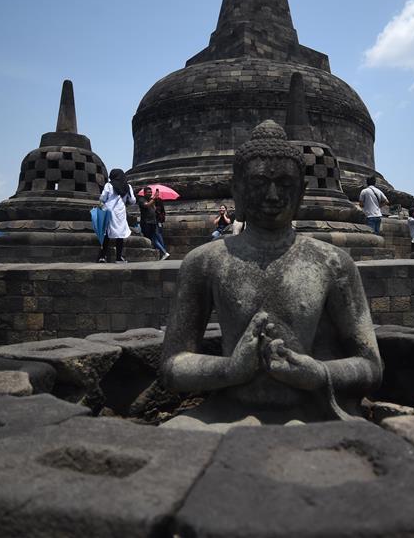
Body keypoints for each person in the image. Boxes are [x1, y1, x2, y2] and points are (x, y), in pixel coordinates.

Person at [160, 120, 382, 431]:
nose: (273, 195)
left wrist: (318, 374)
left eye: (285, 185)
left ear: (301, 193)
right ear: (237, 190)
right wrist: (230, 370)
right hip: (228, 412)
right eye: (259, 183)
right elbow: (172, 366)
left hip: (309, 413)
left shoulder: (332, 263)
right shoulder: (205, 262)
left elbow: (371, 366)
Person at [98, 168, 136, 263]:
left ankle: (102, 256)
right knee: (120, 234)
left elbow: (103, 198)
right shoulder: (127, 186)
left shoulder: (109, 185)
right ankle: (119, 257)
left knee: (106, 233)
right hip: (120, 212)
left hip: (108, 210)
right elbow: (132, 201)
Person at [138, 186, 170, 260]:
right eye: (148, 192)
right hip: (146, 222)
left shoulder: (151, 200)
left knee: (154, 238)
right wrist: (154, 198)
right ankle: (162, 252)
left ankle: (163, 252)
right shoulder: (141, 199)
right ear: (144, 193)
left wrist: (155, 201)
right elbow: (146, 205)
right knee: (149, 238)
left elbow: (154, 209)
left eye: (151, 192)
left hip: (153, 222)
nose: (150, 193)